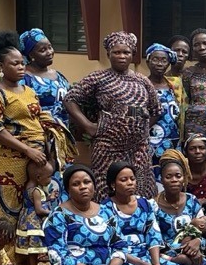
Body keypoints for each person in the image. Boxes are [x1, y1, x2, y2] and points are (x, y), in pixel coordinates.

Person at [102, 161, 196, 265]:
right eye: (124, 180)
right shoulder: (105, 210)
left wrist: (156, 263)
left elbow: (153, 234)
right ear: (112, 184)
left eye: (132, 179)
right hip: (123, 258)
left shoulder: (145, 204)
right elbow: (112, 245)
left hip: (148, 254)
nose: (130, 182)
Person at [65, 31, 161, 200]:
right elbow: (70, 99)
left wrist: (141, 127)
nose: (122, 56)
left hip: (138, 148)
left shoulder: (142, 81)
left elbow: (155, 110)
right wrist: (88, 125)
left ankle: (138, 223)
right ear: (109, 54)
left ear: (133, 55)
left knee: (139, 189)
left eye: (126, 52)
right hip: (107, 147)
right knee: (106, 189)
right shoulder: (98, 78)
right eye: (117, 52)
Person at [0, 31, 54, 219]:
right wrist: (28, 150)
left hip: (36, 162)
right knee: (5, 217)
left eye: (22, 62)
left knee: (32, 209)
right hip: (8, 164)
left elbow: (38, 119)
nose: (21, 67)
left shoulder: (29, 91)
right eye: (15, 63)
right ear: (1, 66)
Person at [19, 28, 77, 166]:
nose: (49, 52)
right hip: (38, 143)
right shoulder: (25, 79)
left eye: (50, 47)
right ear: (30, 54)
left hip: (62, 140)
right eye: (42, 50)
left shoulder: (59, 76)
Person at [16, 158, 59, 265]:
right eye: (49, 177)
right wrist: (52, 213)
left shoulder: (30, 187)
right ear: (39, 177)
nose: (50, 180)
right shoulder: (36, 191)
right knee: (33, 250)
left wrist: (49, 198)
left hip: (27, 220)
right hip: (33, 223)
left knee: (32, 250)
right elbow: (39, 209)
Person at [144, 43, 184, 167]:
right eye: (155, 59)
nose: (159, 64)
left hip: (173, 140)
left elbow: (182, 111)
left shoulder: (175, 85)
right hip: (149, 140)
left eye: (164, 60)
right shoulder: (142, 85)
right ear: (148, 61)